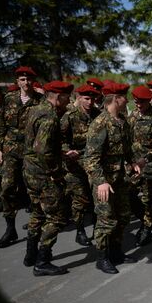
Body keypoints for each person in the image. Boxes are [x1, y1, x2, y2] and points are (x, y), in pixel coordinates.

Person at [83, 82, 140, 274]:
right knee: (106, 220)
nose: (128, 100)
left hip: (121, 179)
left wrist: (133, 163)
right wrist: (101, 182)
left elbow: (126, 148)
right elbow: (90, 158)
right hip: (104, 182)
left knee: (123, 217)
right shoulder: (100, 123)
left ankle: (116, 252)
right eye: (125, 96)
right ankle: (102, 257)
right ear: (116, 99)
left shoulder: (122, 121)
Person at [22, 81, 73, 276]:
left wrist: (60, 153)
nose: (69, 101)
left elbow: (37, 143)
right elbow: (42, 149)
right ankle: (42, 261)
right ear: (58, 97)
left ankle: (30, 255)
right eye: (67, 97)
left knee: (37, 212)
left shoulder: (36, 110)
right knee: (57, 217)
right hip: (43, 174)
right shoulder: (50, 117)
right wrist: (55, 172)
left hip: (30, 170)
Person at [0, 66, 43, 248]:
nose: (26, 82)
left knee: (34, 190)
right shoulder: (9, 99)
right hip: (11, 151)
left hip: (32, 152)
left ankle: (35, 226)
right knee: (6, 188)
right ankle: (10, 228)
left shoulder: (41, 101)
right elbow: (0, 126)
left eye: (29, 79)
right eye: (22, 79)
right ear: (17, 82)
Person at [60, 84, 101, 246]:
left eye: (93, 99)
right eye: (87, 98)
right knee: (80, 199)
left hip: (93, 163)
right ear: (79, 98)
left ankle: (98, 229)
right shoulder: (69, 116)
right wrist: (67, 151)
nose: (90, 102)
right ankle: (80, 230)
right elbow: (59, 139)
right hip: (74, 164)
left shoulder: (98, 115)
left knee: (97, 198)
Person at [129, 85, 152, 246]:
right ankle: (145, 221)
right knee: (129, 195)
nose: (138, 105)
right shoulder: (133, 115)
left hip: (149, 165)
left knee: (150, 200)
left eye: (141, 102)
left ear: (149, 101)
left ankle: (146, 229)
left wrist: (147, 158)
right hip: (132, 164)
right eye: (136, 102)